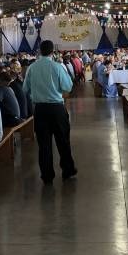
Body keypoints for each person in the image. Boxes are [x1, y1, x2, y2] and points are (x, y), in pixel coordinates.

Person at [22, 40, 75, 184]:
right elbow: (68, 87)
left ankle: (47, 175)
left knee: (44, 144)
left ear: (40, 51)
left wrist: (36, 92)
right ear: (53, 52)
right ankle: (68, 170)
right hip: (57, 108)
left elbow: (25, 89)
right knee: (63, 141)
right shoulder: (57, 67)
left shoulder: (32, 68)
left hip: (40, 109)